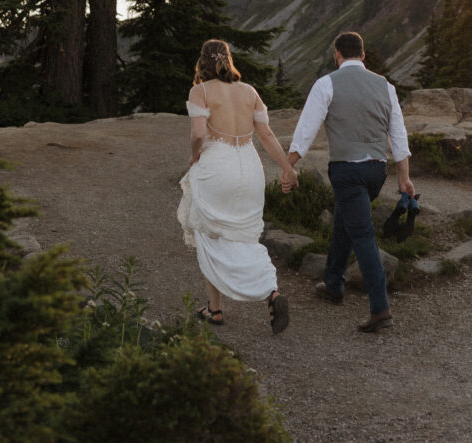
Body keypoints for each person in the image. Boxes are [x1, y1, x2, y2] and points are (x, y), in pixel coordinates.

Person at [288, 32, 415, 332]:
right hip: (376, 171)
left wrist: (287, 165)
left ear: (337, 55)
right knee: (345, 221)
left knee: (362, 235)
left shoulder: (327, 83)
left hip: (347, 170)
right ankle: (333, 284)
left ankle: (380, 309)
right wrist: (404, 176)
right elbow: (398, 134)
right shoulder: (385, 85)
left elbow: (307, 129)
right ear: (363, 55)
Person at [177, 39, 299, 334]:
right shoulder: (249, 92)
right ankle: (271, 292)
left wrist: (194, 156)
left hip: (217, 167)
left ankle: (215, 309)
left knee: (208, 232)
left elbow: (197, 133)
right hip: (249, 167)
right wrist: (286, 168)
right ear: (229, 60)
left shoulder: (200, 91)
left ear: (202, 62)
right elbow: (267, 135)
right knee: (244, 236)